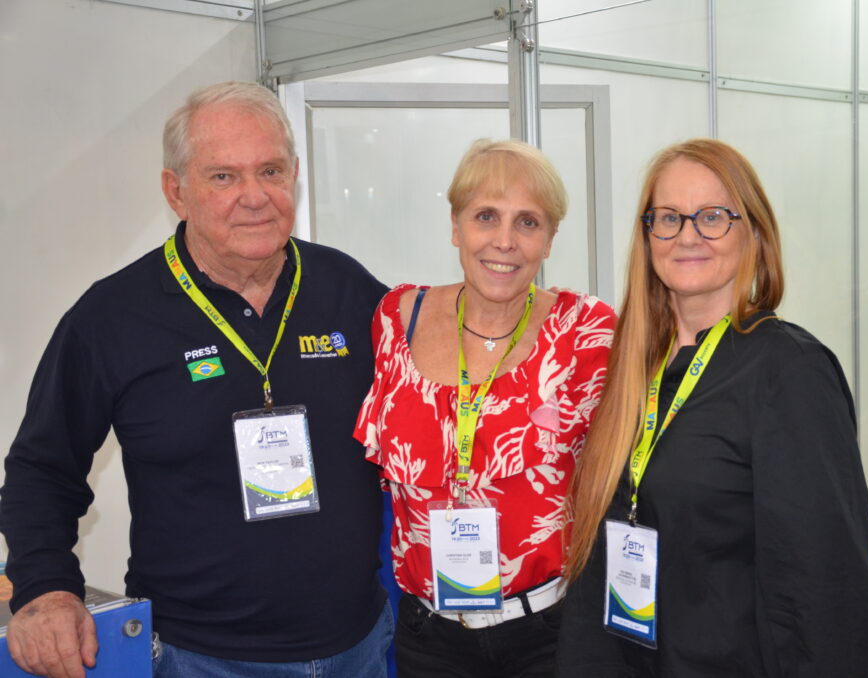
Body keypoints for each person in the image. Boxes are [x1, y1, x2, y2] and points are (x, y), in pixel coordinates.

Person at [0, 81, 392, 678]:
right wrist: (46, 589)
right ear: (175, 191)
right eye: (223, 177)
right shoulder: (112, 318)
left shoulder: (351, 290)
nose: (255, 197)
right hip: (198, 657)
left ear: (294, 175)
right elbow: (42, 469)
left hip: (359, 646)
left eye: (270, 170)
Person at [556, 139, 868, 677]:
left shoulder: (789, 373)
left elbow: (825, 587)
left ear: (754, 235)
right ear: (648, 237)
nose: (688, 235)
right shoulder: (633, 368)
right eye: (668, 217)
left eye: (713, 216)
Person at [354, 139, 615, 677]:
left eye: (528, 222)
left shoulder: (586, 333)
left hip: (547, 633)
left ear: (550, 240)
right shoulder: (395, 320)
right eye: (486, 216)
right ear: (456, 226)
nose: (504, 241)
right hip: (429, 637)